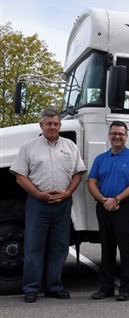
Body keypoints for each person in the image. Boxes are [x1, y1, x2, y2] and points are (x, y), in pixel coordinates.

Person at [9, 108, 87, 303]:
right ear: (41, 125)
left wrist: (68, 192)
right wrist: (39, 194)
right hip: (38, 202)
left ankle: (54, 286)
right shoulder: (29, 147)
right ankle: (31, 288)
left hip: (63, 202)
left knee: (59, 246)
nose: (52, 126)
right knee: (34, 246)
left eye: (55, 123)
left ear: (60, 125)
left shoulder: (69, 146)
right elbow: (20, 176)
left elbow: (79, 172)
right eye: (49, 123)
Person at [87, 121, 129, 301]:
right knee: (107, 248)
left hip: (125, 207)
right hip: (104, 206)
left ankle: (126, 289)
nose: (117, 136)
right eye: (114, 133)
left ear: (126, 136)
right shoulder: (100, 159)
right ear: (109, 135)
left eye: (121, 133)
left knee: (126, 249)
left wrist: (117, 199)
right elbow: (91, 182)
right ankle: (106, 288)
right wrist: (104, 200)